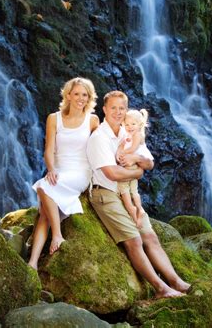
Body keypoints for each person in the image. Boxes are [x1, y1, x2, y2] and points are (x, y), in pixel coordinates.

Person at [87, 91, 191, 299]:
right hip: (105, 194)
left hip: (126, 192)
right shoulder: (100, 137)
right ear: (105, 109)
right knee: (134, 240)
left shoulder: (129, 133)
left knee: (150, 236)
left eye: (121, 108)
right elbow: (113, 173)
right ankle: (161, 288)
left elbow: (149, 163)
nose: (117, 112)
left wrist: (135, 158)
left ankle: (175, 281)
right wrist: (137, 171)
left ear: (127, 111)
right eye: (113, 108)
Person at [28, 77, 99, 270]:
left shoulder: (92, 120)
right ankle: (33, 262)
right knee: (44, 213)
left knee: (43, 187)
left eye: (85, 95)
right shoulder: (54, 118)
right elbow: (49, 150)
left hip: (80, 172)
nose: (80, 98)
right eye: (76, 94)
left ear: (89, 98)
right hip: (59, 170)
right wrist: (51, 169)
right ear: (68, 95)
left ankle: (57, 235)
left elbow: (101, 148)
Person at [116, 109, 149, 228]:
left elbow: (133, 148)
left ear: (140, 125)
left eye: (133, 124)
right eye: (127, 124)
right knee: (133, 190)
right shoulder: (131, 135)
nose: (130, 127)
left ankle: (133, 212)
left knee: (123, 189)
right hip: (132, 166)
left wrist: (122, 152)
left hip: (130, 166)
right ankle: (139, 210)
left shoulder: (138, 135)